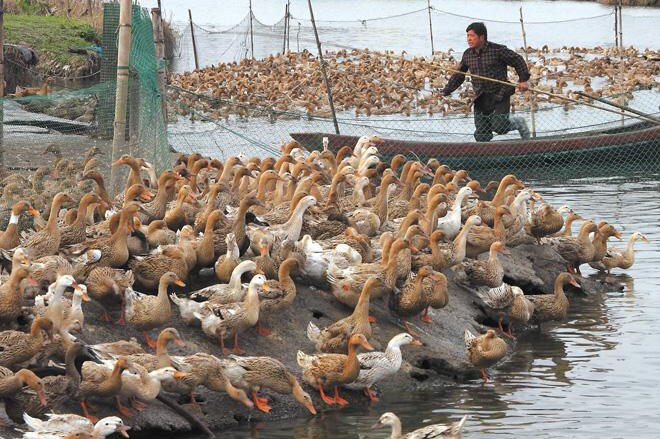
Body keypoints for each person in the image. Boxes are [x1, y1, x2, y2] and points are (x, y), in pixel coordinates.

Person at [442, 22, 531, 142]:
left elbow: (517, 60)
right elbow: (459, 75)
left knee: (500, 127)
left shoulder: (498, 50)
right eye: (467, 36)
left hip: (499, 95)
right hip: (481, 97)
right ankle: (488, 156)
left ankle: (519, 122)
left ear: (482, 37)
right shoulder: (468, 55)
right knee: (481, 135)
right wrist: (446, 90)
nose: (469, 39)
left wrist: (523, 79)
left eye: (472, 36)